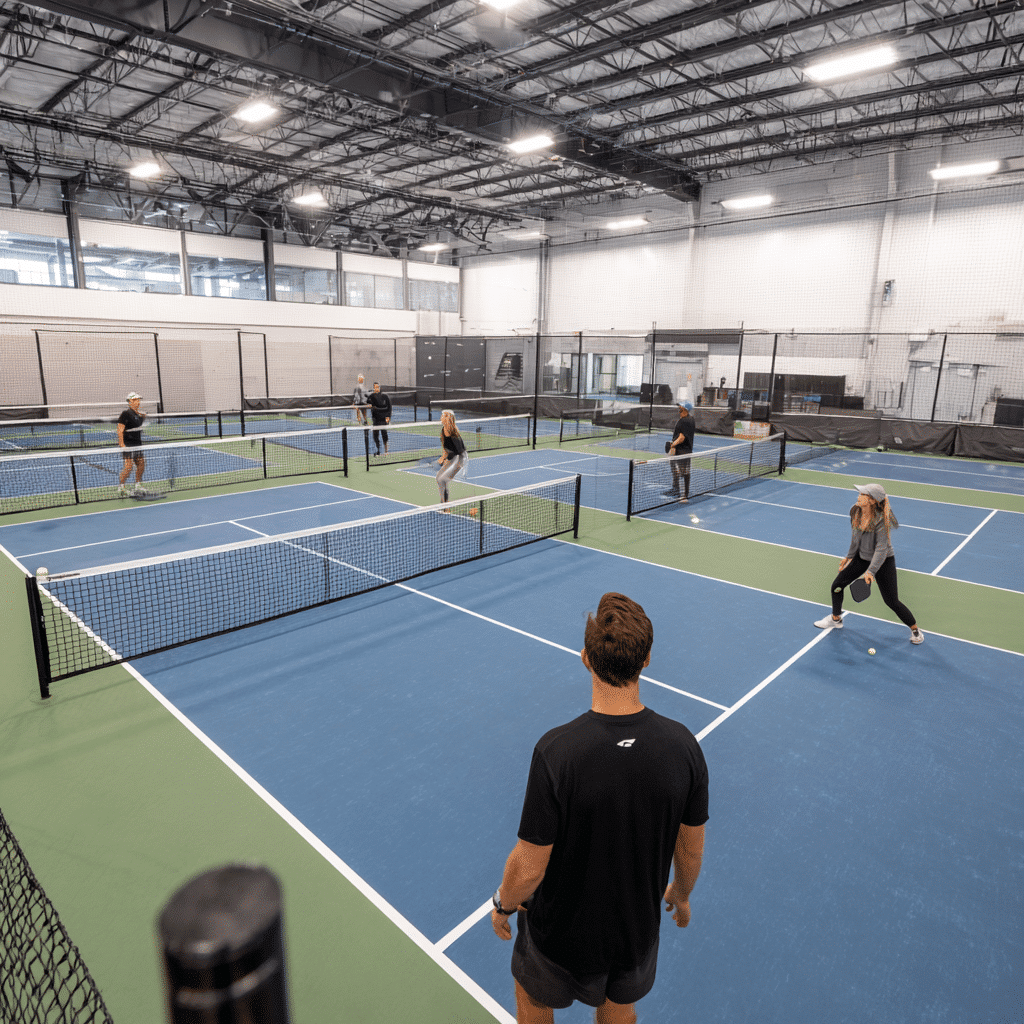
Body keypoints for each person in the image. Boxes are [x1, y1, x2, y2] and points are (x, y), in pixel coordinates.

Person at [492, 592, 709, 1024]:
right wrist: (680, 896)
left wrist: (503, 904)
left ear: (585, 658)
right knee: (619, 1007)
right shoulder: (684, 748)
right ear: (646, 660)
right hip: (635, 934)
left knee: (532, 997)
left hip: (559, 938)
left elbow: (531, 866)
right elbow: (689, 850)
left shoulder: (557, 752)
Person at [814, 483, 924, 643]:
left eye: (863, 494)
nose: (858, 495)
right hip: (861, 558)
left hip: (883, 561)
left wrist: (871, 571)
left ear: (872, 500)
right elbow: (855, 537)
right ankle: (836, 619)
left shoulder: (881, 519)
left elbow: (881, 549)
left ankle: (915, 630)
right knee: (836, 586)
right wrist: (849, 557)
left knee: (891, 601)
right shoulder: (855, 511)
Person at [117, 391, 148, 497]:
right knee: (129, 467)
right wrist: (122, 445)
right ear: (130, 402)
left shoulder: (139, 415)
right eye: (135, 400)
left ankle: (138, 485)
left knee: (141, 464)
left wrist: (143, 417)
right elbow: (120, 430)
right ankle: (121, 487)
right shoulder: (125, 414)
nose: (137, 402)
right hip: (128, 444)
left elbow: (139, 423)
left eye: (138, 400)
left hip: (137, 444)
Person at [663, 401, 695, 502]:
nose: (679, 408)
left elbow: (682, 438)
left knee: (684, 472)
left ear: (685, 409)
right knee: (675, 471)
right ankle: (675, 490)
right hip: (678, 450)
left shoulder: (685, 421)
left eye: (680, 407)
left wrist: (672, 444)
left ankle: (685, 494)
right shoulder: (689, 419)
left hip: (683, 451)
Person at [435, 409, 467, 504]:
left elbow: (458, 451)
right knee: (438, 478)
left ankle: (445, 504)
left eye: (443, 415)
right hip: (452, 456)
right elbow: (446, 448)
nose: (441, 417)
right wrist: (442, 458)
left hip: (460, 457)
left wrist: (447, 460)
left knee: (443, 479)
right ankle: (443, 502)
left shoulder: (453, 431)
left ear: (448, 418)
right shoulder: (443, 430)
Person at [367, 382, 392, 455]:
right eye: (375, 387)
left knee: (384, 434)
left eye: (378, 387)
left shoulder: (385, 396)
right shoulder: (371, 396)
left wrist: (388, 417)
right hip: (375, 419)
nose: (377, 388)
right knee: (375, 436)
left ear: (379, 388)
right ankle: (378, 450)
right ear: (374, 388)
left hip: (383, 419)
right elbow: (367, 402)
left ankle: (386, 450)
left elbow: (389, 407)